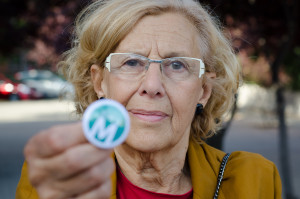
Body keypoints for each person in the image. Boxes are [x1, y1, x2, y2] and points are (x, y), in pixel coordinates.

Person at [16, 0, 282, 198]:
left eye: (177, 65)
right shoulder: (58, 177)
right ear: (100, 82)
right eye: (132, 62)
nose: (152, 86)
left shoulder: (254, 181)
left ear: (203, 90)